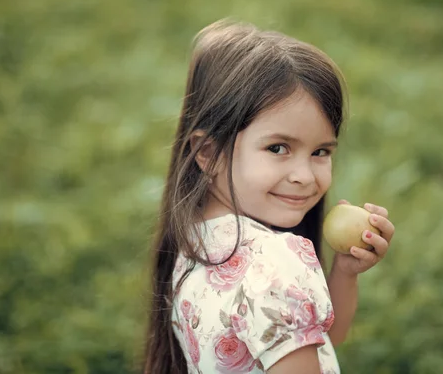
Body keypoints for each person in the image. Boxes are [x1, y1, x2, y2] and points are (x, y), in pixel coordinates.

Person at [142, 19, 395, 374]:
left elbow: (323, 337)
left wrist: (345, 272)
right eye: (278, 148)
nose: (305, 176)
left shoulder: (194, 238)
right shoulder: (276, 265)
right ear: (208, 152)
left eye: (321, 152)